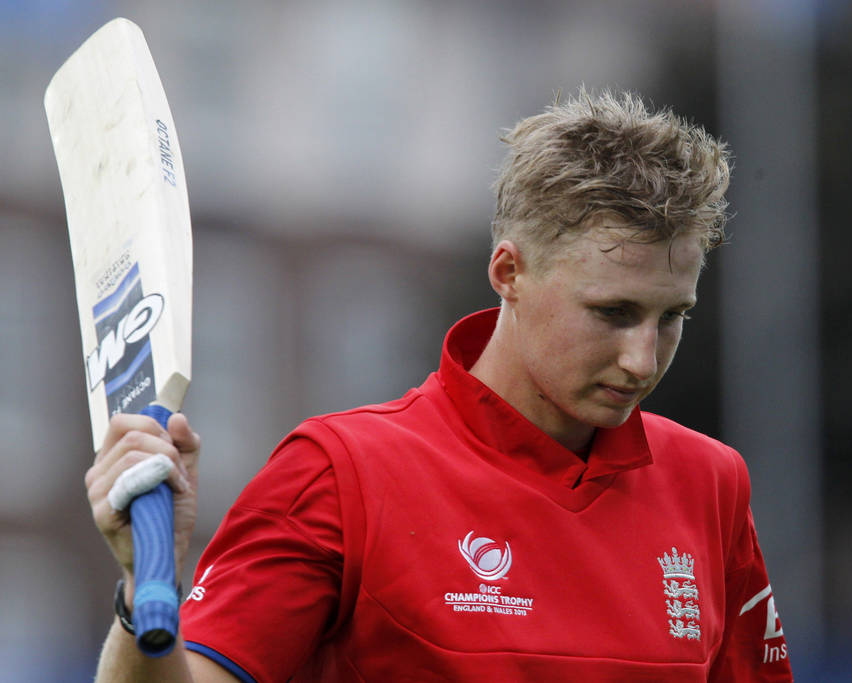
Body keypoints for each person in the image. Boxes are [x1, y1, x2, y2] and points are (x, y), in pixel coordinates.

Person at [86, 88, 793, 681]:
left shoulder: (711, 483)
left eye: (673, 317)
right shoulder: (338, 472)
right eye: (613, 312)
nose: (643, 359)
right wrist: (136, 588)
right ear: (509, 272)